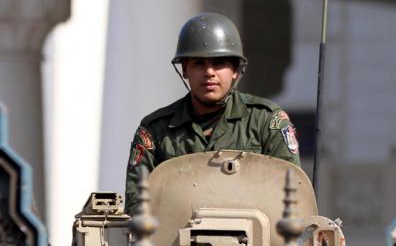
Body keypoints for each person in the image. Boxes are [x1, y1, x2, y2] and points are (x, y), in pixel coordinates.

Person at [124, 13, 300, 214]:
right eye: (199, 63)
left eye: (219, 63)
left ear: (235, 70)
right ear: (184, 70)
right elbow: (136, 205)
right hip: (175, 242)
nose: (209, 72)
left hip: (254, 242)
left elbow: (293, 197)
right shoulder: (155, 130)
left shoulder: (267, 121)